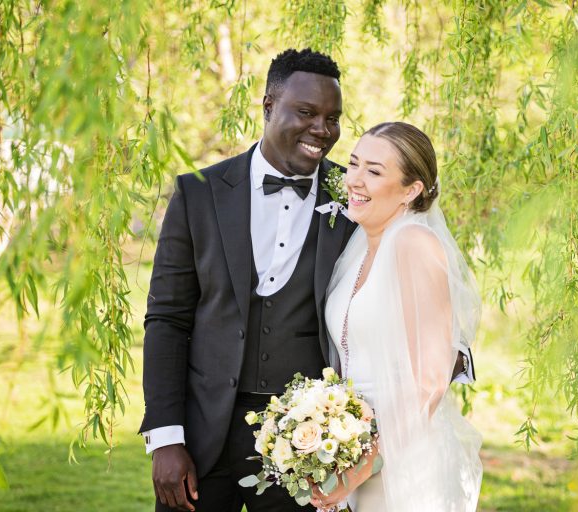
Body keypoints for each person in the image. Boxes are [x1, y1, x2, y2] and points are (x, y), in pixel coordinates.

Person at [140, 50, 474, 511]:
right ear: (268, 105)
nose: (322, 129)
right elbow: (167, 319)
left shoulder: (356, 200)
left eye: (333, 118)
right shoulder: (199, 192)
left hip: (308, 447)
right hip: (201, 436)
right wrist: (164, 436)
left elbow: (426, 324)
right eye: (306, 112)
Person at [313, 122, 483, 511]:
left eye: (374, 171)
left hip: (403, 456)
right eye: (354, 164)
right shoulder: (360, 246)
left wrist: (365, 464)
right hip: (351, 447)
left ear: (412, 189)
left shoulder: (414, 243)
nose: (354, 179)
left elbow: (430, 381)